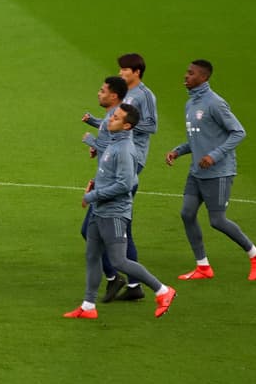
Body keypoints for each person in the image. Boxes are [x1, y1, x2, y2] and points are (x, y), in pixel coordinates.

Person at [64, 104, 177, 320]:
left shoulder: (125, 149)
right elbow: (111, 175)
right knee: (92, 256)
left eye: (115, 118)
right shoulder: (115, 144)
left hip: (114, 213)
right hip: (100, 211)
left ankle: (163, 290)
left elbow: (126, 184)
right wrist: (96, 183)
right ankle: (88, 306)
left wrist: (93, 195)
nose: (110, 120)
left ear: (126, 126)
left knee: (118, 261)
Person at [166, 59, 256, 281]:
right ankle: (203, 267)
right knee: (187, 213)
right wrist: (178, 151)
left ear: (203, 77)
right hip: (197, 171)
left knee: (217, 221)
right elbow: (198, 137)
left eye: (191, 73)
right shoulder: (190, 103)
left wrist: (214, 156)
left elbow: (239, 132)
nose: (186, 76)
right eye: (186, 72)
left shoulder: (215, 103)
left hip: (219, 172)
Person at [111, 52, 158, 300]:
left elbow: (151, 125)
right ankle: (128, 282)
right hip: (119, 154)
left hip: (133, 158)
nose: (121, 73)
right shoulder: (125, 94)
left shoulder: (144, 95)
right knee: (109, 223)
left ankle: (131, 282)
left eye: (124, 69)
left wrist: (128, 123)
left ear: (136, 71)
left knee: (115, 223)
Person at [79, 75, 130, 301]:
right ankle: (96, 295)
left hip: (111, 193)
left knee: (117, 249)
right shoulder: (113, 116)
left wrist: (91, 141)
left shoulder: (116, 118)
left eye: (102, 90)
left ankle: (157, 288)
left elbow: (112, 148)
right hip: (103, 185)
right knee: (92, 239)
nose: (99, 93)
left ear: (114, 96)